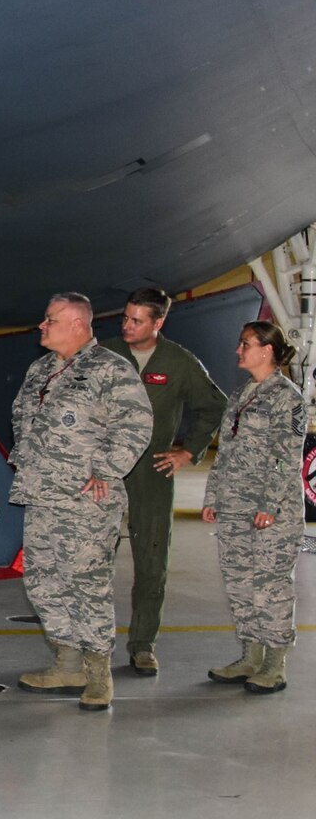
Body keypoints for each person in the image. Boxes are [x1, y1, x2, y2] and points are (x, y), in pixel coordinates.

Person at [10, 292, 153, 712]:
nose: (42, 325)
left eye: (50, 319)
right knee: (42, 581)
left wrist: (107, 470)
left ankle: (98, 675)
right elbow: (23, 418)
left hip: (86, 501)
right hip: (42, 495)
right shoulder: (41, 370)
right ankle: (67, 663)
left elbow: (137, 424)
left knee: (86, 585)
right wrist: (27, 460)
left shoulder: (110, 369)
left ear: (76, 323)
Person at [99, 287, 226, 675]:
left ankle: (142, 645)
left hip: (152, 469)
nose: (127, 326)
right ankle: (90, 644)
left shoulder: (178, 361)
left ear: (159, 323)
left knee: (152, 558)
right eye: (125, 317)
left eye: (137, 320)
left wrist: (189, 450)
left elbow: (214, 405)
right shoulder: (102, 355)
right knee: (89, 557)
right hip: (103, 470)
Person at [201, 321, 308, 694]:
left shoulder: (287, 397)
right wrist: (213, 497)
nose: (238, 350)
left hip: (270, 513)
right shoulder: (242, 393)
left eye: (245, 344)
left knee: (270, 587)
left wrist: (271, 505)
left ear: (267, 351)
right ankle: (250, 656)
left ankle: (274, 665)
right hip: (234, 508)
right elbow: (225, 452)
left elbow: (286, 457)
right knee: (240, 584)